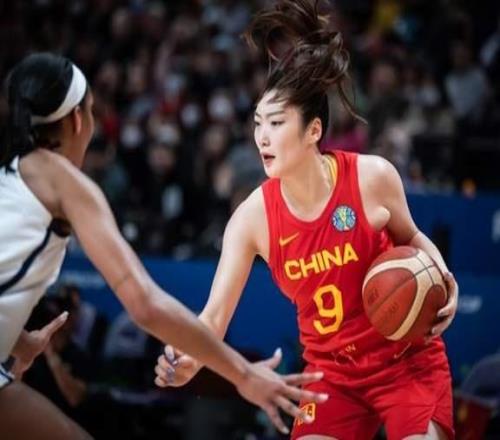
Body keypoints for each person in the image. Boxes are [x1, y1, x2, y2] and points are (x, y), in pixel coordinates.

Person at [154, 1, 459, 439]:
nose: (262, 137)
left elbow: (413, 237)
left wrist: (444, 277)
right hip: (332, 375)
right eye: (258, 123)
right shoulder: (251, 219)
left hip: (406, 362)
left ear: (313, 130)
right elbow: (214, 316)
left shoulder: (372, 177)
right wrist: (191, 358)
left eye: (276, 123)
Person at [0, 52, 328, 440]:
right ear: (77, 120)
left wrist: (16, 340)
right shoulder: (62, 181)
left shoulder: (13, 173)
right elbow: (144, 303)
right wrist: (244, 375)